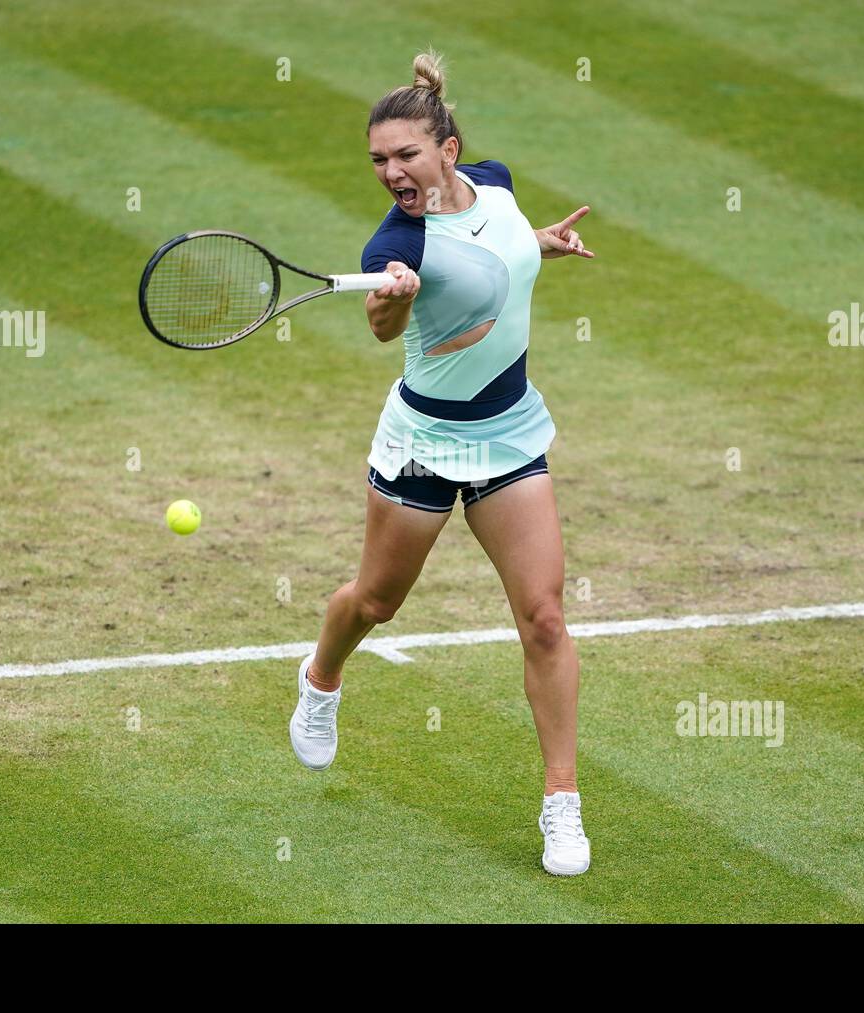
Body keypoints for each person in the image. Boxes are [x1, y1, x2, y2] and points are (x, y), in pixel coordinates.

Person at [289, 48, 596, 876]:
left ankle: (561, 802)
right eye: (378, 160)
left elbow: (490, 249)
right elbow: (387, 331)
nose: (390, 171)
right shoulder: (395, 241)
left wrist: (541, 244)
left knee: (544, 616)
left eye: (404, 155)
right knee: (377, 602)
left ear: (448, 151)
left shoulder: (493, 182)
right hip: (425, 443)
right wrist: (392, 303)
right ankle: (321, 678)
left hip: (509, 434)